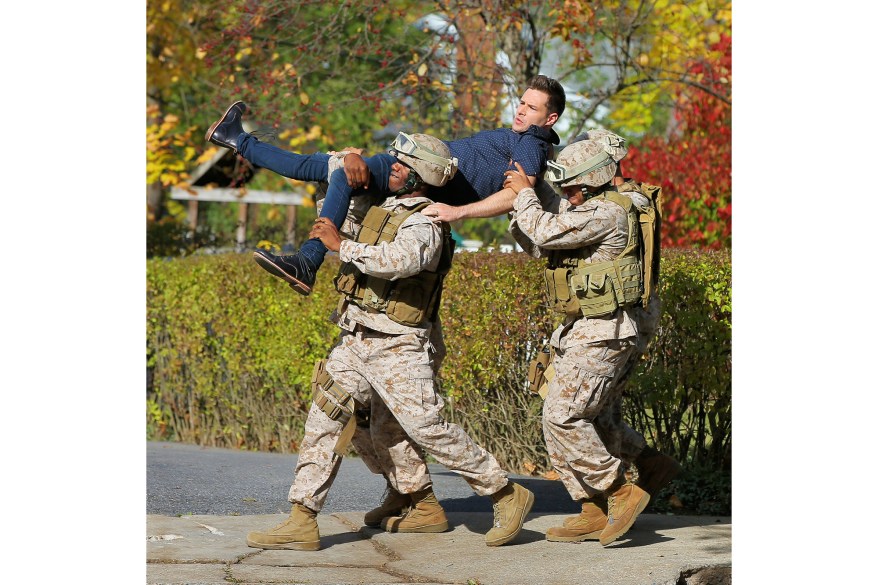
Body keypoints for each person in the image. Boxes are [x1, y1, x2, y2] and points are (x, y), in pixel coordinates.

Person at [245, 151, 534, 551]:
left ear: (422, 175)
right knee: (329, 415)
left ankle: (504, 493)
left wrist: (343, 247)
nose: (393, 165)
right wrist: (341, 183)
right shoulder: (383, 209)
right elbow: (339, 224)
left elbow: (401, 260)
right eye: (395, 159)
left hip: (399, 343)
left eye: (404, 162)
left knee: (424, 428)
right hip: (356, 337)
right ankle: (303, 517)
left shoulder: (428, 219)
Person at [204, 75, 565, 295]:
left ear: (549, 118)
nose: (520, 111)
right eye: (521, 102)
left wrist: (458, 212)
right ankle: (236, 138)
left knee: (339, 171)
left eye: (531, 108)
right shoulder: (521, 135)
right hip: (407, 164)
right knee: (319, 167)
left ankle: (308, 261)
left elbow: (520, 192)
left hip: (411, 174)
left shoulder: (532, 143)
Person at [504, 131, 660, 547]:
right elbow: (547, 246)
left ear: (595, 180)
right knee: (581, 418)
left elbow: (545, 230)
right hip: (587, 332)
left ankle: (620, 494)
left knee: (562, 415)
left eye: (571, 188)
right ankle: (592, 508)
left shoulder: (608, 212)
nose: (567, 196)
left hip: (603, 333)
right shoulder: (597, 209)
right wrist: (524, 212)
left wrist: (524, 195)